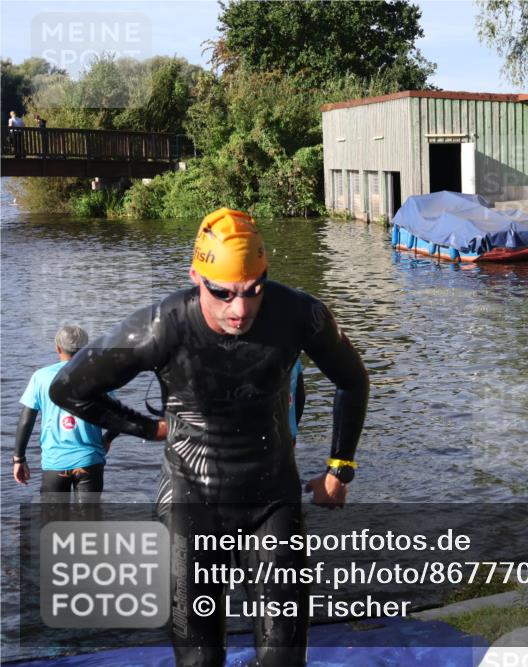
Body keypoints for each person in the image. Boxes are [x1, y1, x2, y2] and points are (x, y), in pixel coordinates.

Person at [50, 208, 369, 667]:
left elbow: (353, 380)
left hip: (271, 498)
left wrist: (340, 468)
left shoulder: (300, 313)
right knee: (200, 661)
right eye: (222, 293)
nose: (240, 309)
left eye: (253, 290)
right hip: (190, 497)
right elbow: (69, 388)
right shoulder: (161, 326)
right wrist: (147, 428)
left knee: (283, 660)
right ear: (196, 277)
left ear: (266, 275)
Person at [12, 326, 117, 495]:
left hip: (55, 462)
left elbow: (26, 420)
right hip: (89, 460)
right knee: (89, 519)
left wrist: (19, 458)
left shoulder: (41, 377)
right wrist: (108, 438)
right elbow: (118, 417)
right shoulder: (99, 377)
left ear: (58, 348)